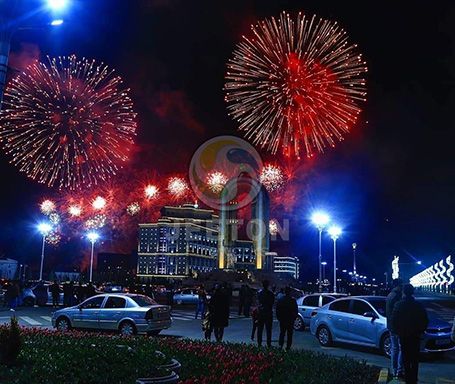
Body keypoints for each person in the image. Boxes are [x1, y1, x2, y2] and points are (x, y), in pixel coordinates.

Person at [391, 284, 428, 384]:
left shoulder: (398, 305)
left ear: (403, 292)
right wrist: (420, 331)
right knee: (415, 359)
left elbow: (394, 321)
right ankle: (414, 379)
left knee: (406, 359)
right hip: (415, 336)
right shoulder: (418, 305)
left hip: (404, 336)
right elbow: (425, 321)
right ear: (413, 292)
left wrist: (399, 332)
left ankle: (408, 379)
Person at [386, 278, 404, 379]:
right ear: (399, 285)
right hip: (398, 327)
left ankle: (394, 370)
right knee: (401, 348)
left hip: (391, 326)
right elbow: (399, 312)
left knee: (394, 348)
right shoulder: (398, 296)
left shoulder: (390, 295)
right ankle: (399, 370)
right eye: (402, 284)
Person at [276, 286, 298, 350]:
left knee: (282, 333)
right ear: (290, 292)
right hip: (290, 320)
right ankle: (288, 346)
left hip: (283, 319)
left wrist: (279, 318)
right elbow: (295, 310)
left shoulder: (281, 300)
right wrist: (294, 318)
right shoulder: (292, 300)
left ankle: (280, 345)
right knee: (289, 334)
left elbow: (278, 310)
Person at [257, 280, 275, 347]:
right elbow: (272, 303)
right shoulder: (271, 294)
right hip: (268, 313)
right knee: (268, 330)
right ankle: (268, 344)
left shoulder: (260, 293)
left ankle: (259, 343)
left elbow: (258, 302)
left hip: (261, 313)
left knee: (260, 329)